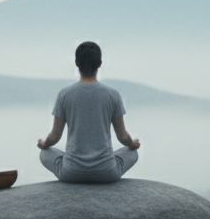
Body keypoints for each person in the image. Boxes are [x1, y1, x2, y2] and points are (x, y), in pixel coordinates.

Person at [36, 41, 140, 183]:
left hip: (71, 172)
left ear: (77, 63)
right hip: (106, 172)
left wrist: (43, 144)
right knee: (132, 153)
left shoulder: (64, 94)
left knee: (45, 153)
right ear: (100, 63)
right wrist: (133, 144)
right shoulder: (113, 94)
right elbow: (122, 136)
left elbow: (55, 136)